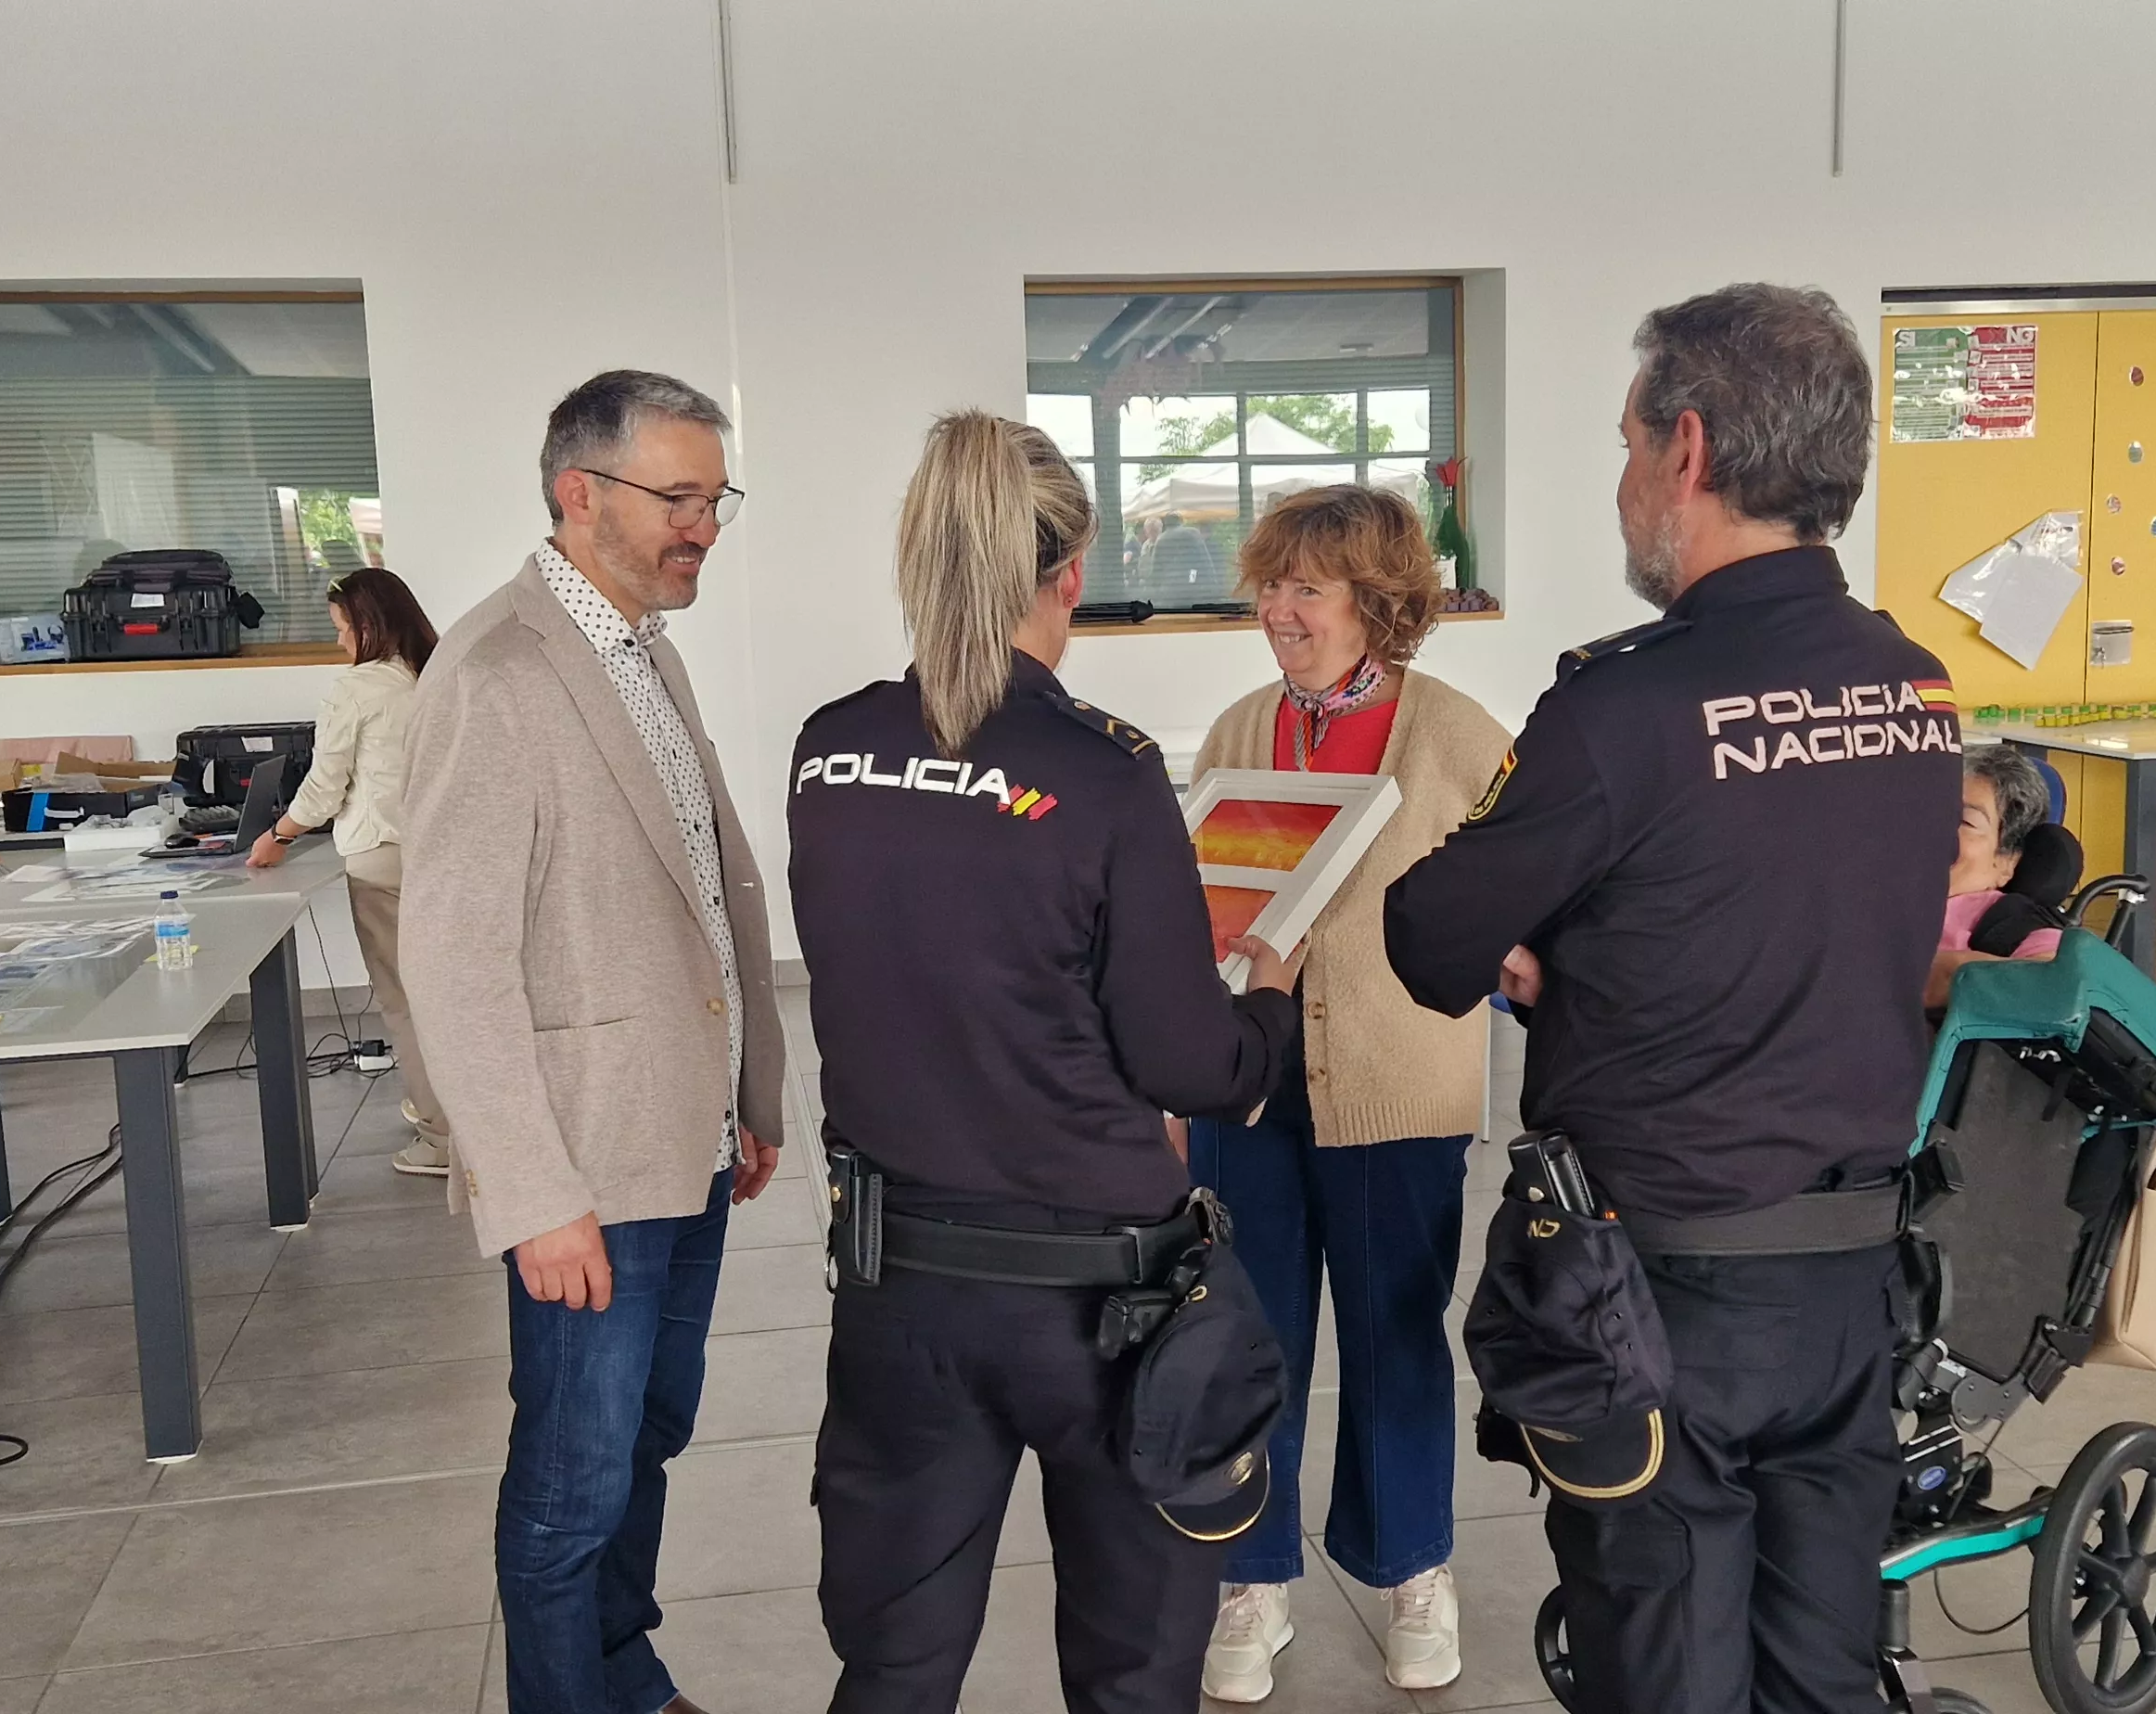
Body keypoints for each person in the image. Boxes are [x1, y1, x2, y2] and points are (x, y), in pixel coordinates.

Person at [1384, 284, 1962, 1714]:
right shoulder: (1913, 685)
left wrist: (1550, 932)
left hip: (1662, 1297)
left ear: (1687, 450)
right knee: (1819, 1669)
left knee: (1663, 1671)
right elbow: (1784, 893)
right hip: (1849, 1279)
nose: (1626, 480)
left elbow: (1430, 936)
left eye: (1628, 443)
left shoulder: (1622, 706)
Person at [789, 411, 1302, 1714]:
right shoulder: (1108, 775)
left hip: (901, 1293)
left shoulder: (826, 752)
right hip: (1104, 1309)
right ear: (1068, 576)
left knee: (894, 1671)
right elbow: (1186, 1059)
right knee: (1134, 1679)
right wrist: (1273, 1011)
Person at [402, 370, 788, 1714]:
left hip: (677, 1139)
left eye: (714, 497)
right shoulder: (499, 671)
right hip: (584, 1172)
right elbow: (453, 962)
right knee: (572, 1482)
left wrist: (743, 1090)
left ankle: (625, 1673)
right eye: (680, 498)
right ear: (583, 493)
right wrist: (532, 1192)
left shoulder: (641, 647)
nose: (706, 525)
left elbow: (691, 890)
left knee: (650, 1437)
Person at [1181, 485, 1510, 1701]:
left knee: (1396, 1342)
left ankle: (1412, 1567)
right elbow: (1191, 913)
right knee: (1244, 1344)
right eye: (1270, 585)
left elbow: (1524, 905)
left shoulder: (1462, 738)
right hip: (1246, 1095)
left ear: (1377, 601)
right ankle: (1250, 1581)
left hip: (1402, 1092)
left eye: (1306, 588)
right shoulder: (1236, 734)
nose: (1278, 610)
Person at [248, 567, 451, 1176]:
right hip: (444, 857)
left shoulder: (357, 689)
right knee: (449, 998)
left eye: (341, 629)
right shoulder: (439, 675)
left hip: (382, 860)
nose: (339, 643)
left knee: (405, 1002)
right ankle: (449, 1114)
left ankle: (444, 1140)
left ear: (368, 625)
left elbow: (323, 788)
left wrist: (278, 835)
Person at [1928, 743, 2063, 1008]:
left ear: (2006, 860)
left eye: (1965, 821)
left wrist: (1944, 971)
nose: (1934, 829)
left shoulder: (2005, 921)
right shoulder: (1865, 893)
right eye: (1929, 811)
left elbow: (2057, 980)